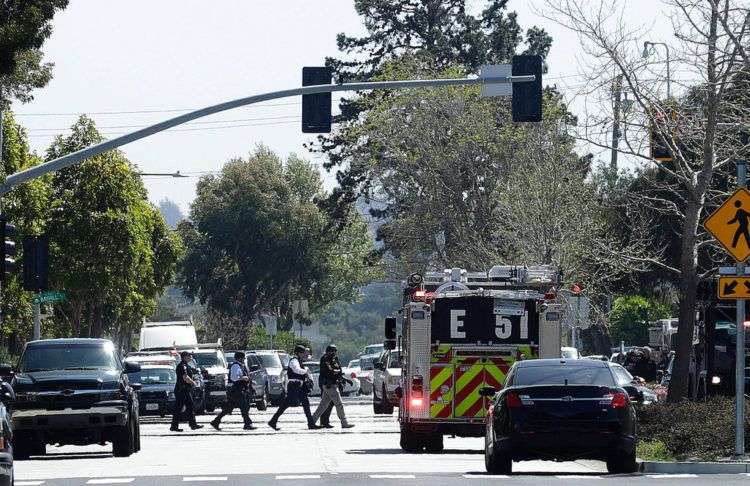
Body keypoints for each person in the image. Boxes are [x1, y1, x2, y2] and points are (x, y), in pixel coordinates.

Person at [267, 345, 319, 430]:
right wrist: (306, 371)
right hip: (294, 385)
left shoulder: (299, 360)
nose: (303, 354)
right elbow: (296, 370)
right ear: (297, 353)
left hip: (300, 386)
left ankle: (311, 423)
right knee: (285, 404)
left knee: (306, 404)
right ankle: (273, 421)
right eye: (302, 353)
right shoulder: (294, 361)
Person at [211, 351, 255, 431]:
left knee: (229, 408)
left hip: (238, 390)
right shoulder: (235, 366)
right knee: (244, 407)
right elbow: (234, 378)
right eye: (243, 358)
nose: (244, 359)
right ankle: (247, 424)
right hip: (236, 390)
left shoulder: (240, 366)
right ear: (239, 358)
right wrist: (243, 378)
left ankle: (215, 421)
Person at [312, 344, 353, 429]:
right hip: (329, 385)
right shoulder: (325, 358)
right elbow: (331, 371)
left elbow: (339, 371)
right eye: (332, 351)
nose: (334, 353)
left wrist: (345, 379)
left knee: (323, 406)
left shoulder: (335, 359)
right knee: (339, 404)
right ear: (328, 351)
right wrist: (336, 371)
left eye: (335, 351)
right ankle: (344, 422)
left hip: (334, 383)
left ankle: (312, 421)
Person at [170, 351, 203, 432]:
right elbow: (185, 377)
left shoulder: (186, 365)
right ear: (184, 357)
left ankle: (175, 426)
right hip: (182, 390)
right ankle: (192, 425)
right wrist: (193, 383)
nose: (190, 357)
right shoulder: (183, 366)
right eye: (189, 356)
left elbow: (192, 372)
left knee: (181, 408)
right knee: (189, 406)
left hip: (183, 390)